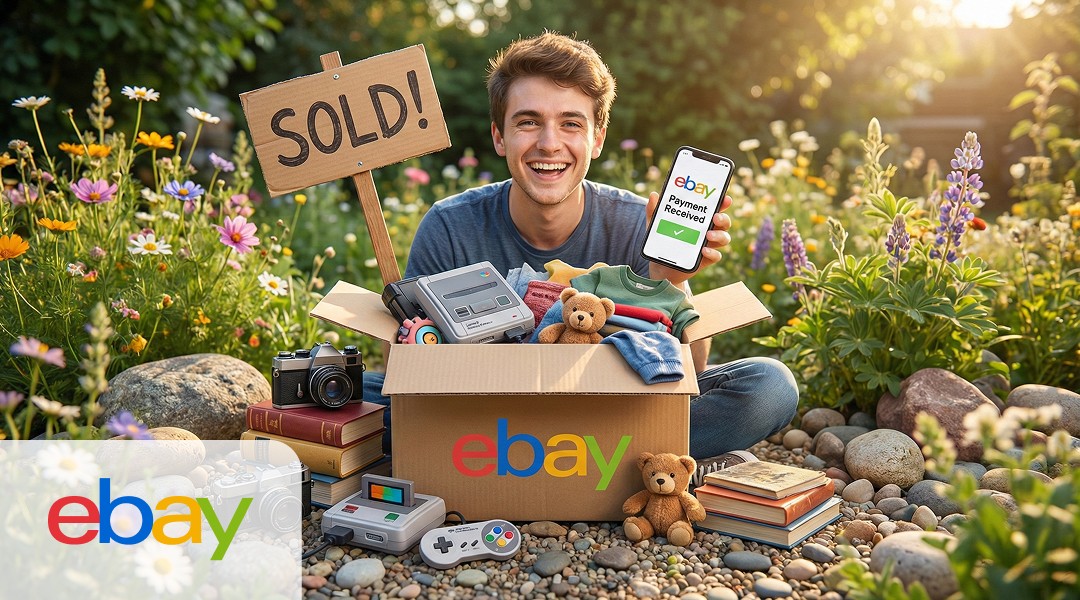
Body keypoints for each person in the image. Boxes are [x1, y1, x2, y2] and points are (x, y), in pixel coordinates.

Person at [363, 31, 798, 481]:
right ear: (499, 136)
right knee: (348, 390)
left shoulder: (636, 223)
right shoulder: (451, 226)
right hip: (489, 408)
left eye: (571, 123)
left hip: (603, 408)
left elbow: (688, 373)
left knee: (769, 385)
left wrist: (672, 280)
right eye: (528, 122)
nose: (549, 144)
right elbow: (409, 375)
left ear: (597, 139)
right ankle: (625, 461)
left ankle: (524, 458)